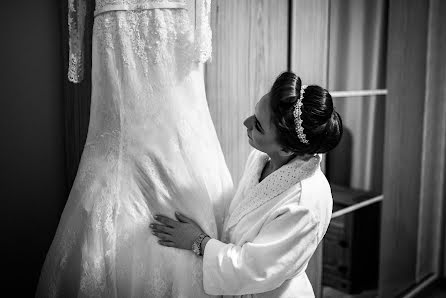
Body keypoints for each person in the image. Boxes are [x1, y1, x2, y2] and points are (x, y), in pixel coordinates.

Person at [36, 0, 233, 297]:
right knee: (116, 146)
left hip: (171, 30)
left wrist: (202, 34)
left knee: (177, 144)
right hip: (116, 31)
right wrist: (75, 51)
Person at [150, 71, 343, 297]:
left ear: (286, 148)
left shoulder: (307, 202)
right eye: (254, 113)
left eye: (258, 125)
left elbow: (254, 269)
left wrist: (198, 241)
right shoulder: (263, 159)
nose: (246, 123)